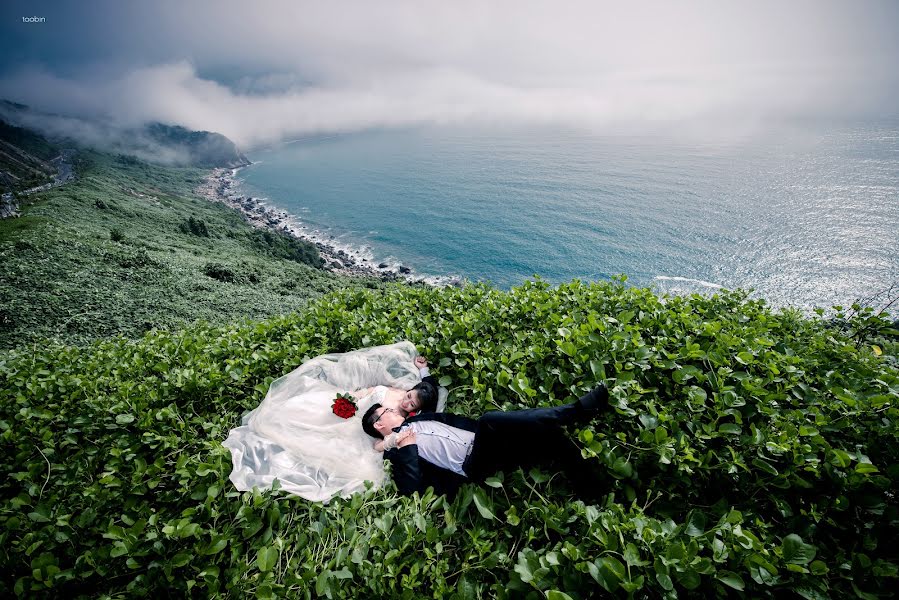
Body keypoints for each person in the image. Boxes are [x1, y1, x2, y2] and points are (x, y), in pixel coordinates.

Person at [223, 341, 445, 502]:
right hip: (352, 408)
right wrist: (349, 399)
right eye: (409, 398)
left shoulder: (403, 417)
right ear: (411, 390)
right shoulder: (402, 387)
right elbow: (372, 390)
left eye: (412, 406)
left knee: (318, 441)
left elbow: (429, 402)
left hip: (360, 426)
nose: (407, 404)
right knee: (302, 408)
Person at [361, 384, 611, 498]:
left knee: (551, 438)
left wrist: (423, 370)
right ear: (378, 424)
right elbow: (409, 487)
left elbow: (429, 388)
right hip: (472, 464)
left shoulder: (418, 419)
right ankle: (574, 411)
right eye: (387, 411)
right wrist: (405, 448)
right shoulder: (393, 453)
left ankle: (592, 489)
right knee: (490, 419)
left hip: (487, 442)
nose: (393, 409)